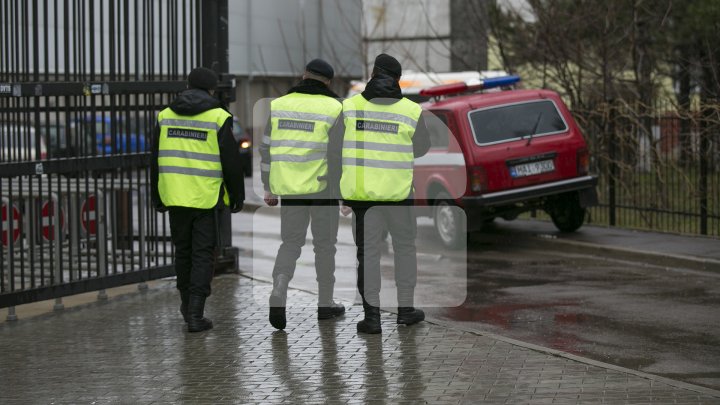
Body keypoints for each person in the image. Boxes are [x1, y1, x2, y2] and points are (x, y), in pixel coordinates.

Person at [333, 53, 431, 334]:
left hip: (363, 199)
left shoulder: (349, 108)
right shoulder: (411, 111)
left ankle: (372, 318)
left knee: (368, 256)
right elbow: (422, 147)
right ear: (397, 80)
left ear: (374, 74)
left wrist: (341, 192)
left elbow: (335, 150)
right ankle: (405, 310)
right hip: (399, 196)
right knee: (404, 250)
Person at [151, 67, 245, 333]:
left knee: (183, 252)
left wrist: (156, 194)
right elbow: (231, 163)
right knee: (203, 254)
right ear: (212, 89)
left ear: (188, 85)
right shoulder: (218, 117)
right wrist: (236, 196)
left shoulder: (165, 116)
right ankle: (195, 312)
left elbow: (154, 160)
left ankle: (186, 306)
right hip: (205, 196)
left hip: (174, 195)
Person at [260, 59, 346, 330]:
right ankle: (325, 305)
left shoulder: (279, 105)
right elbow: (338, 155)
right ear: (328, 82)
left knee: (290, 243)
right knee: (325, 247)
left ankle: (280, 284)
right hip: (323, 189)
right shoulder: (335, 108)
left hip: (289, 188)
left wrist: (269, 185)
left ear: (303, 76)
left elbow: (266, 149)